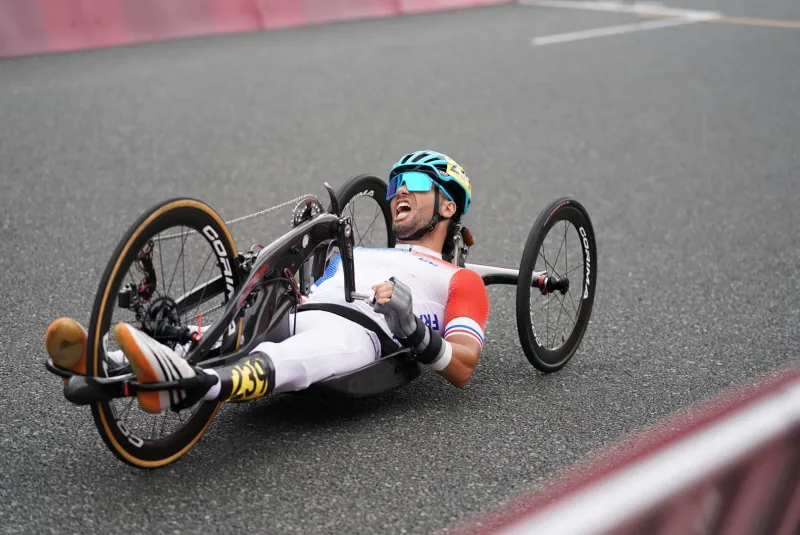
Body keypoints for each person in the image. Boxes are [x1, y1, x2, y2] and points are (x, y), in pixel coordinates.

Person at [44, 150, 490, 414]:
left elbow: (464, 366)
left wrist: (411, 324)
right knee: (237, 326)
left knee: (290, 356)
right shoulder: (361, 249)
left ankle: (192, 386)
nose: (397, 195)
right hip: (301, 309)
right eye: (394, 187)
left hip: (360, 333)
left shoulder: (461, 279)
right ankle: (112, 358)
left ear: (447, 208)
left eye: (412, 183)